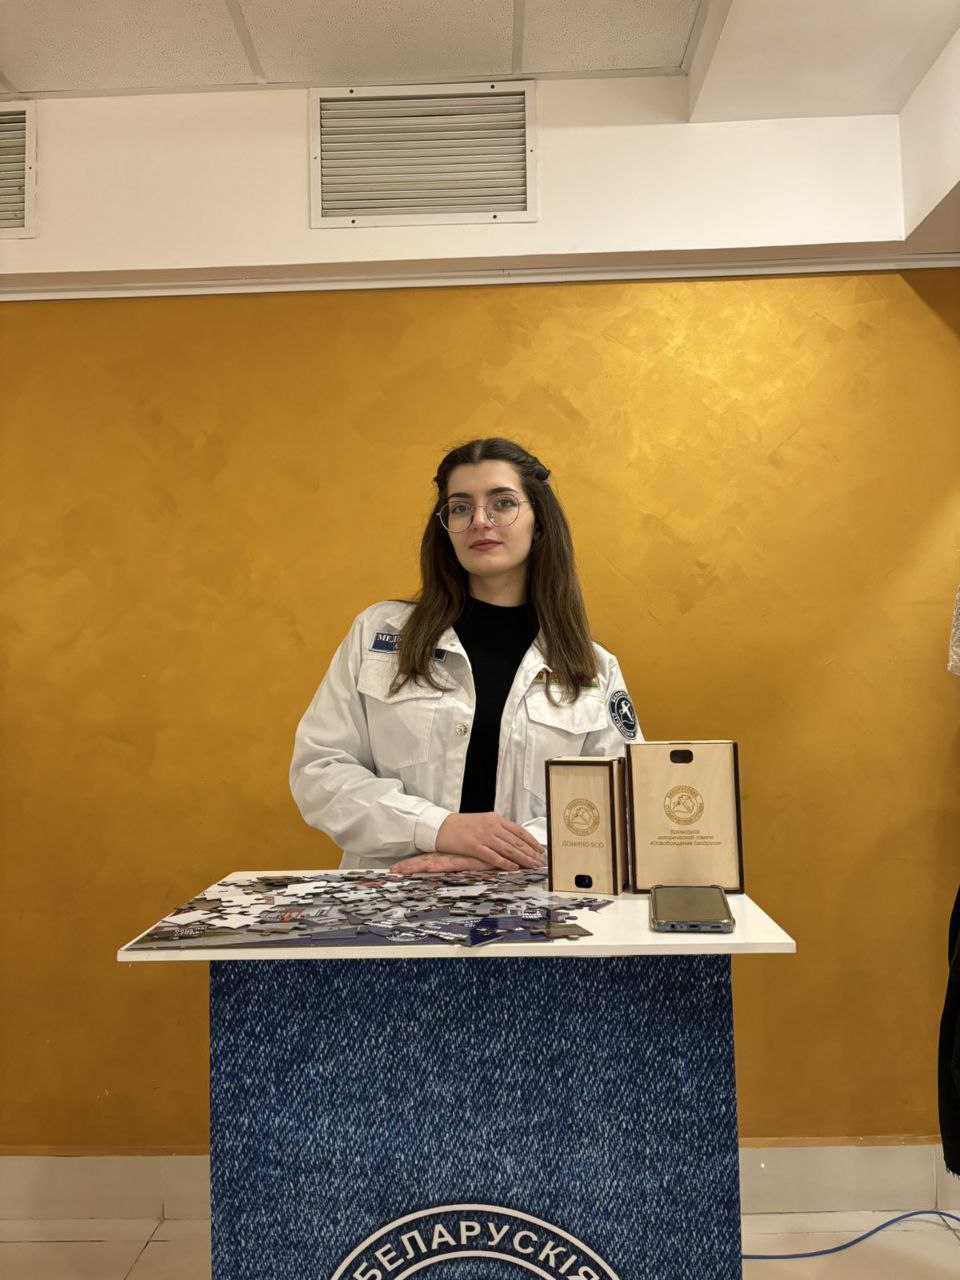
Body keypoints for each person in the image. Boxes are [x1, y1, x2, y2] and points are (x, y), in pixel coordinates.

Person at [289, 438, 641, 872]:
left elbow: (621, 800)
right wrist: (435, 828)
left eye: (502, 503)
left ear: (539, 523)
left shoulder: (592, 668)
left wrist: (502, 852)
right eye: (460, 508)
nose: (479, 521)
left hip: (531, 902)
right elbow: (321, 769)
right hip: (394, 896)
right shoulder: (379, 634)